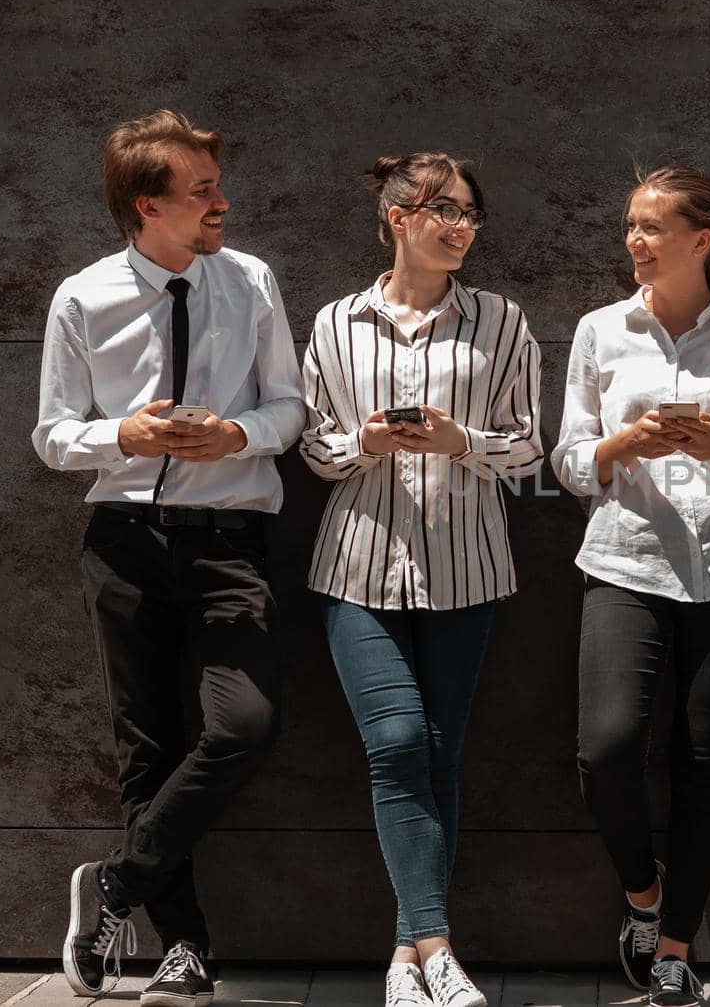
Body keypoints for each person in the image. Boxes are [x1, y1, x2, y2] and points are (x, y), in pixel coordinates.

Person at [32, 109, 304, 1005]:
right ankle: (183, 945)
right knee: (146, 746)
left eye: (216, 186)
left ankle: (114, 884)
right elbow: (54, 435)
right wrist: (125, 432)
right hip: (124, 541)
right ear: (149, 206)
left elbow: (290, 410)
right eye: (202, 192)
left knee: (242, 724)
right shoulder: (83, 296)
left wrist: (234, 433)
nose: (221, 202)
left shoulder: (252, 280)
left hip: (230, 542)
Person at [552, 166, 710, 1007]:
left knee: (705, 761)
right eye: (631, 224)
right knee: (607, 748)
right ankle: (642, 893)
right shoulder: (600, 331)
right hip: (627, 559)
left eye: (653, 227)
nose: (635, 240)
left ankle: (675, 951)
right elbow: (570, 461)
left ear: (701, 241)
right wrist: (628, 444)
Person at [300, 153, 542, 1007]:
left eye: (472, 214)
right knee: (398, 740)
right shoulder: (335, 323)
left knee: (439, 756)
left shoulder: (503, 322)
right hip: (356, 567)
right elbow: (315, 446)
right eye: (446, 210)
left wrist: (460, 443)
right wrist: (363, 442)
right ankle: (439, 945)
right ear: (399, 215)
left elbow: (528, 448)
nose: (463, 227)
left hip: (465, 569)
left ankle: (407, 958)